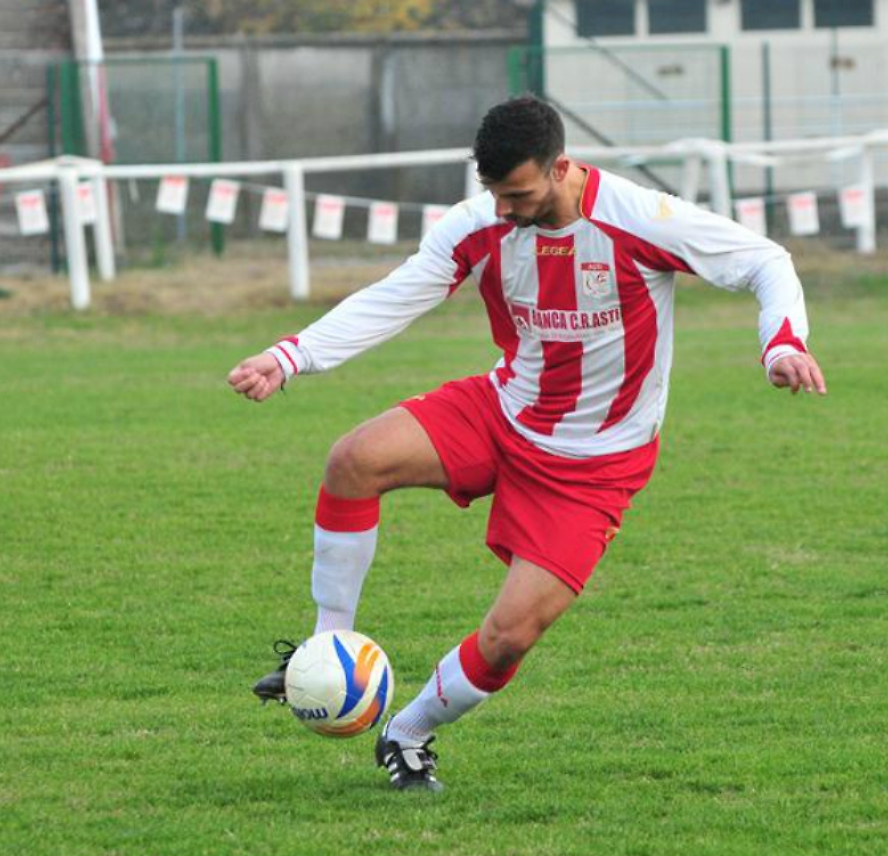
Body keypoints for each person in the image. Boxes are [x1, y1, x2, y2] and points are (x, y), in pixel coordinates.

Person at [228, 95, 826, 793]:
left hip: (594, 466)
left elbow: (765, 261)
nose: (504, 210)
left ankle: (409, 732)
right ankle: (329, 648)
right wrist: (292, 356)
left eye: (518, 194)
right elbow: (396, 296)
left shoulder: (636, 218)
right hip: (504, 410)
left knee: (509, 637)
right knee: (353, 461)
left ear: (561, 166)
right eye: (493, 194)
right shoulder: (480, 223)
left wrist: (781, 341)